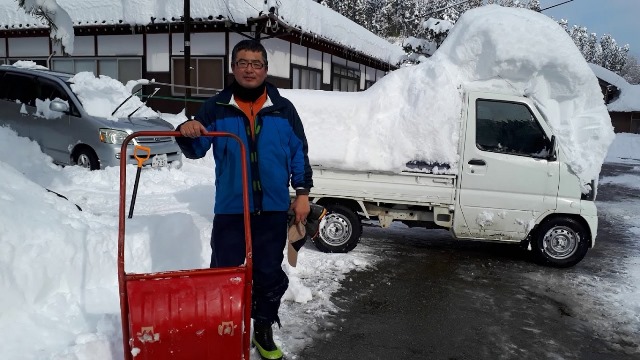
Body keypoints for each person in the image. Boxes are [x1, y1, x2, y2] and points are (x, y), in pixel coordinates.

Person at [176, 39, 313, 360]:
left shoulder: (283, 110)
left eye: (256, 63)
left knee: (268, 273)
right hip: (231, 209)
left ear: (265, 69)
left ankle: (262, 330)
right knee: (223, 272)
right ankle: (225, 330)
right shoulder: (216, 108)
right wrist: (187, 128)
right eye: (243, 62)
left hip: (274, 208)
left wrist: (303, 194)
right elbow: (196, 149)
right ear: (233, 67)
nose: (249, 69)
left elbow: (298, 154)